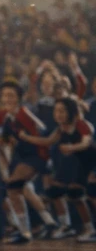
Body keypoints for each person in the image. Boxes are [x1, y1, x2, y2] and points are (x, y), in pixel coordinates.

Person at [0, 79, 53, 244]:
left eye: (11, 95)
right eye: (4, 95)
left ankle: (39, 225)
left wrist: (28, 138)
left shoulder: (23, 113)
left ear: (18, 98)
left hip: (37, 156)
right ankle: (29, 229)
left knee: (17, 187)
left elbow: (42, 130)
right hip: (23, 157)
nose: (7, 98)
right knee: (14, 190)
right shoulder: (7, 117)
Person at [44, 96, 95, 241]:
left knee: (88, 193)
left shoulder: (82, 125)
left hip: (91, 163)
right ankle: (73, 227)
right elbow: (47, 141)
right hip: (80, 164)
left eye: (62, 111)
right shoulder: (61, 129)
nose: (58, 114)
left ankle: (89, 229)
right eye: (56, 111)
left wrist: (71, 147)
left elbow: (86, 143)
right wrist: (24, 137)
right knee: (66, 192)